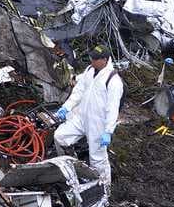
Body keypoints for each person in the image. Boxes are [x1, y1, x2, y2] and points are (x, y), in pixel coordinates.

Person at [53, 45, 123, 185]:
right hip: (81, 116)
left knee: (97, 158)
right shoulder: (90, 70)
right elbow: (78, 91)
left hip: (97, 123)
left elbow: (112, 109)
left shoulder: (113, 81)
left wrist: (108, 131)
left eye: (95, 59)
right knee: (60, 137)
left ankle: (104, 187)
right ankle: (70, 169)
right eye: (91, 58)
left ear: (104, 60)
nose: (92, 61)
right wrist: (66, 108)